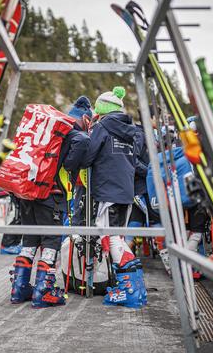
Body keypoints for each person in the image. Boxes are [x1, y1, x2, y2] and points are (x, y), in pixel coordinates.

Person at [10, 96, 90, 308]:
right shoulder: (71, 130)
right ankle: (43, 291)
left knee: (30, 238)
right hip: (51, 195)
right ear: (85, 118)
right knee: (51, 241)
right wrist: (70, 164)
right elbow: (83, 142)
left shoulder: (49, 128)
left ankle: (19, 288)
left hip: (28, 191)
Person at [81, 86, 147, 308]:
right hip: (126, 191)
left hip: (107, 189)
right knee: (118, 236)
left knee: (110, 236)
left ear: (102, 109)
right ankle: (135, 285)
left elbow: (89, 154)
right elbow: (135, 159)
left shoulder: (101, 126)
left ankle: (129, 290)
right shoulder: (132, 130)